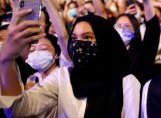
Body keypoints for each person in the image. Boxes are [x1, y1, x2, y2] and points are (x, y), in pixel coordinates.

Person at [0, 11, 140, 117]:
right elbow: (20, 109)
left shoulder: (126, 83)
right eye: (74, 38)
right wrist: (7, 59)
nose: (78, 44)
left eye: (87, 37)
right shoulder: (63, 77)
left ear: (105, 42)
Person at [114, 0, 160, 84]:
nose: (121, 29)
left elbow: (152, 30)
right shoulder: (108, 52)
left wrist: (146, 1)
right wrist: (125, 15)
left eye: (126, 26)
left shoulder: (141, 53)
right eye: (118, 26)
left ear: (135, 31)